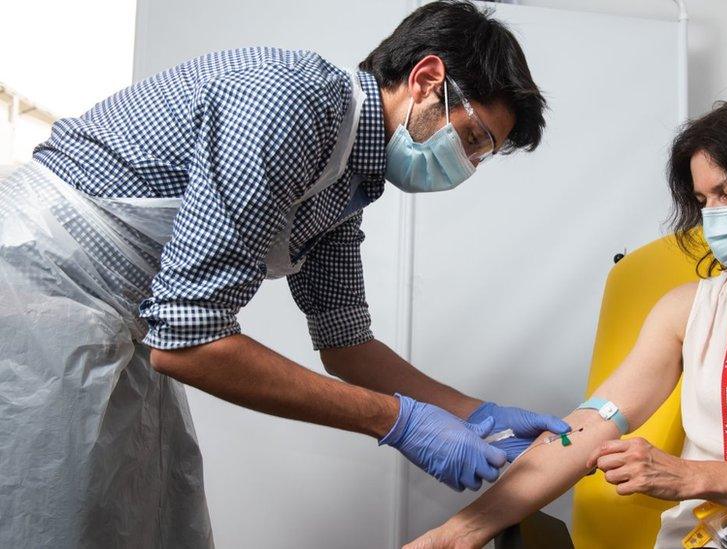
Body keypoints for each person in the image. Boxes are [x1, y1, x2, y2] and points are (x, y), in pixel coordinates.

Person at [0, 1, 570, 546]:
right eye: (470, 139)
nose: (464, 166)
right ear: (426, 80)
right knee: (44, 516)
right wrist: (396, 420)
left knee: (148, 513)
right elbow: (190, 342)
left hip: (122, 318)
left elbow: (347, 344)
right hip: (39, 287)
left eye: (479, 156)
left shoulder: (350, 178)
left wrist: (476, 415)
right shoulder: (289, 105)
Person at [406, 86, 727, 549]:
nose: (715, 216)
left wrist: (689, 476)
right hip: (712, 539)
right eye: (704, 200)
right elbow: (583, 431)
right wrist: (461, 531)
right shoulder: (685, 312)